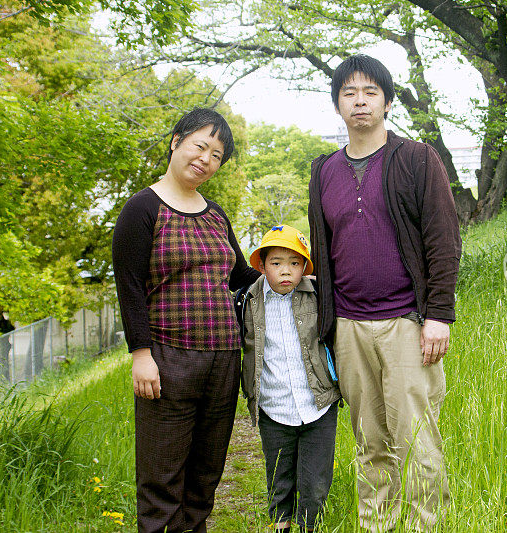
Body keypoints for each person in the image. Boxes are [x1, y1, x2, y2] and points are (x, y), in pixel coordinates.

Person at [308, 55, 462, 532]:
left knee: (417, 439)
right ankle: (376, 525)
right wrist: (328, 328)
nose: (359, 101)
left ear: (388, 102)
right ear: (337, 105)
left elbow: (443, 239)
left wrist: (438, 314)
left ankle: (424, 526)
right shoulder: (323, 171)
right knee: (370, 442)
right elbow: (322, 249)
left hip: (407, 323)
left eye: (370, 92)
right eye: (349, 93)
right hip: (350, 327)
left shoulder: (416, 158)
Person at [112, 107, 260, 533]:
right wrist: (141, 354)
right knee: (162, 479)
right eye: (201, 146)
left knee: (205, 476)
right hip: (167, 358)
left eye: (217, 155)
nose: (206, 159)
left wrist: (293, 272)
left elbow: (239, 276)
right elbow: (129, 287)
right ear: (176, 141)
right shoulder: (142, 208)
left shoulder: (215, 213)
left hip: (223, 358)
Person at [238, 225, 341, 533]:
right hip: (274, 406)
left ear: (304, 267)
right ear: (261, 265)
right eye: (276, 263)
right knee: (279, 478)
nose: (286, 271)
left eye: (294, 263)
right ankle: (281, 524)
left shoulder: (318, 295)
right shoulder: (247, 300)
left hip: (318, 404)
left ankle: (311, 526)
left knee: (315, 482)